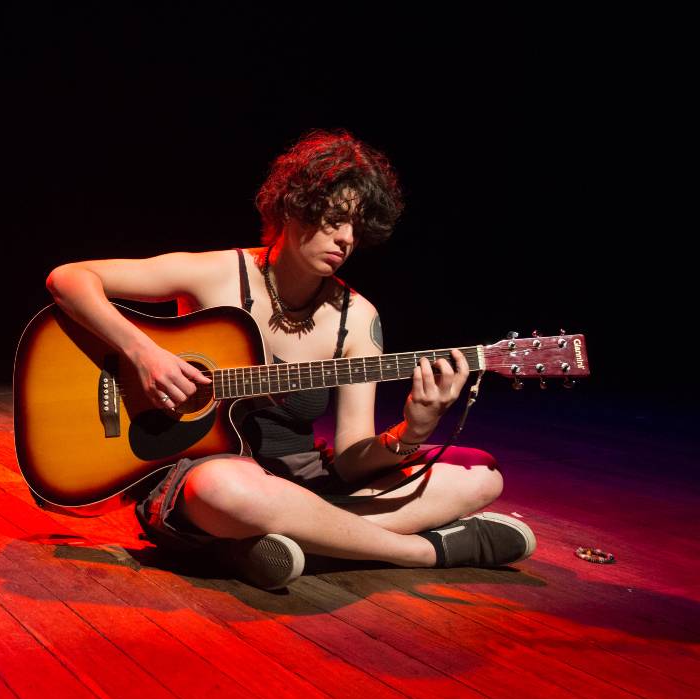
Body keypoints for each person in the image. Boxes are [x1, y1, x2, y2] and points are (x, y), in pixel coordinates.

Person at [45, 129, 535, 590]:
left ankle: (260, 545)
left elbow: (350, 459)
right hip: (209, 476)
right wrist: (145, 354)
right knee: (227, 490)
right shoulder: (217, 274)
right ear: (293, 208)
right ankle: (420, 552)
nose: (346, 239)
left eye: (357, 227)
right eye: (335, 218)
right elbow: (69, 279)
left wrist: (412, 432)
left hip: (304, 482)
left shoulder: (356, 319)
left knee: (480, 474)